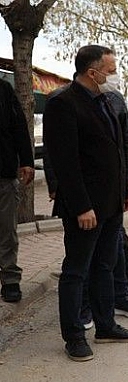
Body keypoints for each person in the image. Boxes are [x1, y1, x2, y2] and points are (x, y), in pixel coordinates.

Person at [44, 45, 128, 362]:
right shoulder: (63, 104)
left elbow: (115, 150)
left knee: (105, 265)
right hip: (85, 208)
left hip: (111, 205)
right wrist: (82, 206)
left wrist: (124, 194)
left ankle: (106, 326)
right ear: (92, 72)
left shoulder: (106, 101)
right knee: (76, 271)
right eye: (110, 70)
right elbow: (66, 163)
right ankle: (74, 336)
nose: (114, 76)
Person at [0, 80, 34, 303]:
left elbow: (19, 125)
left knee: (6, 229)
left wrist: (27, 160)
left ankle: (10, 279)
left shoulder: (3, 89)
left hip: (3, 172)